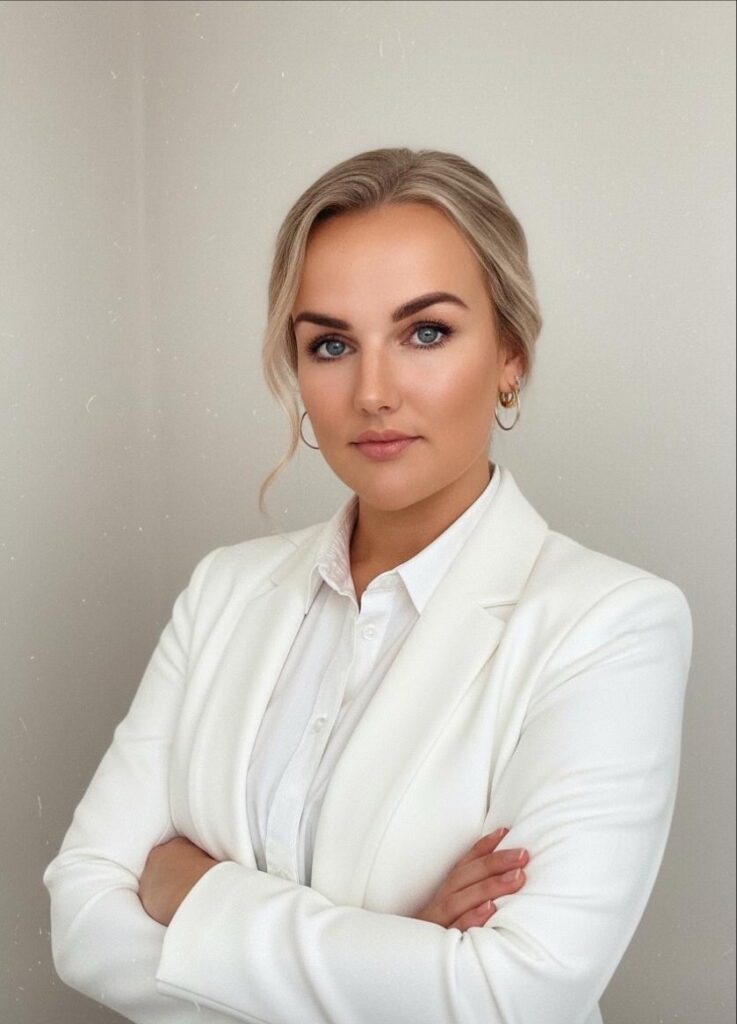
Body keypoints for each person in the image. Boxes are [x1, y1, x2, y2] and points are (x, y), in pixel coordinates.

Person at [43, 147, 693, 1024]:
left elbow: (513, 997)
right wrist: (399, 948)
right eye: (331, 344)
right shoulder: (222, 590)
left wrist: (187, 889)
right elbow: (82, 918)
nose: (372, 392)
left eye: (425, 332)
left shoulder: (609, 624)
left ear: (509, 355)